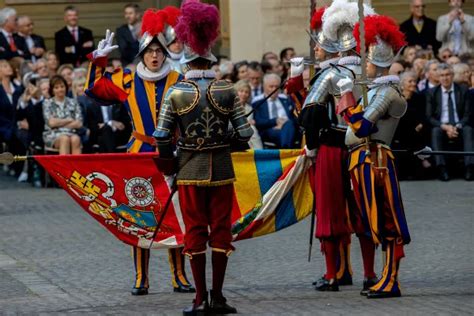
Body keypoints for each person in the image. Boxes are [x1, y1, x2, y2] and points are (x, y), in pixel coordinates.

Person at [84, 8, 194, 296]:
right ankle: (141, 277)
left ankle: (179, 275)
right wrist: (99, 61)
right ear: (143, 53)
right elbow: (95, 90)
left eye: (159, 51)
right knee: (138, 216)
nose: (155, 56)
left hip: (172, 153)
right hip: (139, 152)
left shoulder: (178, 79)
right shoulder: (128, 79)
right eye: (150, 51)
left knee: (175, 213)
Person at [153, 1, 253, 314]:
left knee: (195, 230)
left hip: (188, 167)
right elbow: (245, 133)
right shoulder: (227, 89)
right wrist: (228, 142)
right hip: (221, 167)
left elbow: (161, 136)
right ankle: (219, 297)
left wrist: (169, 168)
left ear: (187, 58)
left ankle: (199, 299)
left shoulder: (176, 92)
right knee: (221, 229)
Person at [290, 0, 377, 294]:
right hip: (360, 148)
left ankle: (332, 275)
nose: (316, 49)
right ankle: (369, 273)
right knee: (363, 209)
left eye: (319, 44)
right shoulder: (368, 75)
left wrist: (311, 148)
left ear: (333, 46)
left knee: (329, 211)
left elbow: (309, 116)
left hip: (329, 148)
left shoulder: (328, 74)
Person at [336, 15, 414, 299]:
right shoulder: (376, 90)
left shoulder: (387, 92)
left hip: (376, 160)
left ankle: (391, 279)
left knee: (387, 222)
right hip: (363, 160)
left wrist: (346, 97)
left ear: (377, 62)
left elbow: (362, 126)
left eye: (367, 60)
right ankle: (384, 277)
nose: (364, 64)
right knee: (376, 223)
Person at [426, 63, 473, 181]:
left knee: (468, 130)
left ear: (452, 76)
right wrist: (445, 127)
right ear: (438, 77)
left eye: (447, 75)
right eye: (442, 75)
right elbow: (429, 116)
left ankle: (469, 167)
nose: (445, 78)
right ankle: (442, 168)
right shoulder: (432, 92)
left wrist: (457, 126)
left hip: (459, 125)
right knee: (435, 131)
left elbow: (468, 114)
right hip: (442, 125)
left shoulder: (463, 90)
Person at [392, 71, 430, 179]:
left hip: (416, 129)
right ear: (402, 84)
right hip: (401, 130)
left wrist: (421, 124)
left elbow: (424, 115)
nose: (413, 83)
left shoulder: (419, 98)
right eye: (410, 81)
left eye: (414, 81)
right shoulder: (397, 99)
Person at [252, 73, 297, 148]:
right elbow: (258, 122)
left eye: (276, 86)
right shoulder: (258, 103)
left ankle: (285, 148)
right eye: (271, 86)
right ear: (264, 87)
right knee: (287, 129)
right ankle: (286, 150)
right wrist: (275, 121)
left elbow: (294, 117)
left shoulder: (286, 100)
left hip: (289, 128)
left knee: (289, 125)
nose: (274, 89)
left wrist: (284, 125)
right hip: (270, 130)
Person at [42, 75, 83, 155]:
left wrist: (59, 123)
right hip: (53, 135)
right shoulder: (47, 103)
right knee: (64, 139)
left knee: (76, 139)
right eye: (56, 87)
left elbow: (79, 123)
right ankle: (64, 167)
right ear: (52, 90)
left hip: (71, 133)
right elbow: (51, 123)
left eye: (62, 86)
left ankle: (76, 167)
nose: (60, 89)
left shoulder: (73, 102)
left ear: (66, 87)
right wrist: (69, 120)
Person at [234, 79, 263, 149]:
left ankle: (258, 152)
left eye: (246, 92)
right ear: (236, 92)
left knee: (252, 129)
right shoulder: (231, 106)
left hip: (247, 131)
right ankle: (259, 151)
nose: (244, 94)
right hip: (234, 130)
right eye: (241, 91)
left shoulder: (249, 108)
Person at [162, 6, 185, 74]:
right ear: (168, 43)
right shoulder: (162, 61)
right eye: (173, 42)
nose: (177, 44)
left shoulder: (190, 59)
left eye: (179, 41)